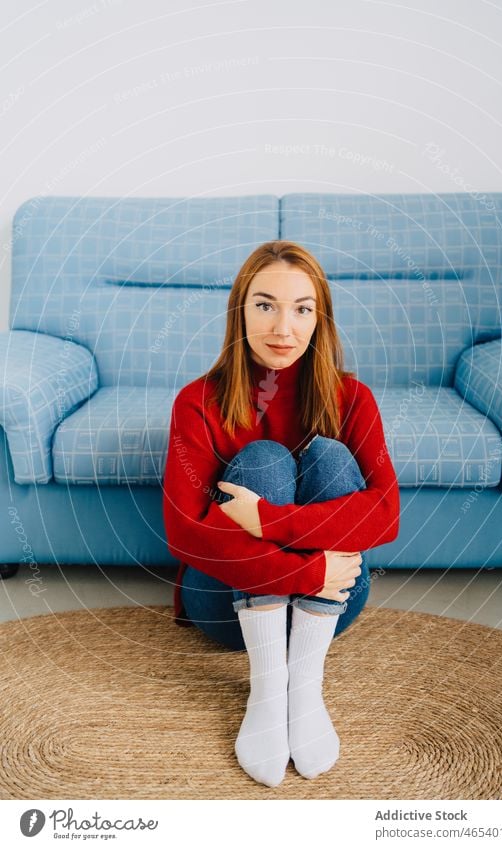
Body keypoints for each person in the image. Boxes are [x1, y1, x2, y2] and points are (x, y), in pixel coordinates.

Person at [162, 240, 400, 788]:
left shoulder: (353, 398)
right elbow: (184, 532)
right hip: (225, 606)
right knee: (265, 460)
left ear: (320, 320)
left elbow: (386, 515)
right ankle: (270, 687)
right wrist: (306, 570)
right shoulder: (196, 401)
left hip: (331, 602)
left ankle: (305, 683)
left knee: (331, 456)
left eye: (302, 309)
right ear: (240, 311)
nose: (283, 327)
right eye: (265, 304)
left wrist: (269, 521)